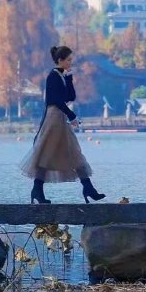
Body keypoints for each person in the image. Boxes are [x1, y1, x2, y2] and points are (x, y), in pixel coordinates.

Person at [21, 45, 106, 204]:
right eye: (68, 60)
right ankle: (37, 190)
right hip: (53, 118)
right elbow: (54, 100)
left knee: (74, 151)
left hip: (60, 118)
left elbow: (70, 97)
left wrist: (69, 79)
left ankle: (88, 188)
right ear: (60, 60)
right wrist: (71, 115)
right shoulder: (52, 76)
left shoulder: (61, 76)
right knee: (46, 152)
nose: (70, 63)